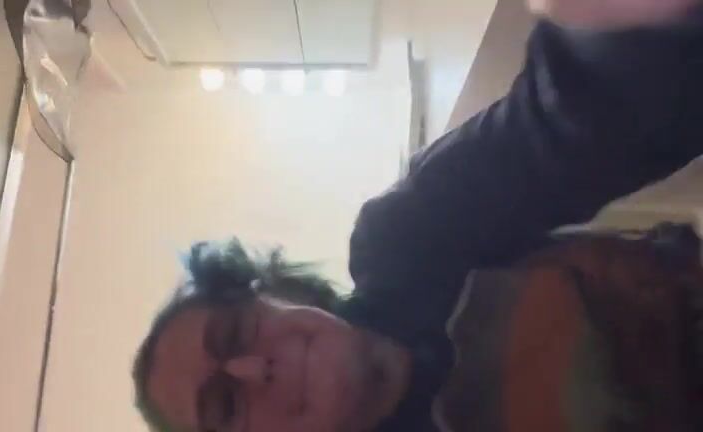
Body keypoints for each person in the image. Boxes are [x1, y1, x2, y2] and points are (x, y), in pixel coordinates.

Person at [132, 0, 703, 431]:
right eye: (227, 406)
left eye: (235, 333)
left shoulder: (407, 241)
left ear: (275, 293)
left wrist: (618, 26)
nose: (255, 369)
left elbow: (576, 125)